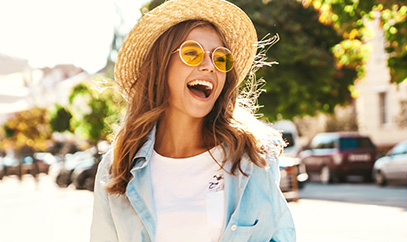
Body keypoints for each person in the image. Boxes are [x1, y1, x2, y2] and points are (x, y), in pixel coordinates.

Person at [90, 0, 296, 241]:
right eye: (192, 53)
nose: (209, 66)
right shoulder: (118, 166)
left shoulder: (252, 157)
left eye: (221, 59)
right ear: (161, 65)